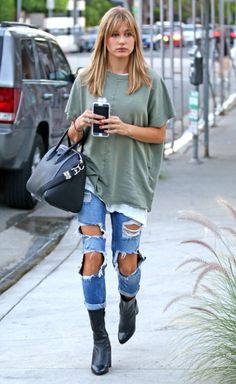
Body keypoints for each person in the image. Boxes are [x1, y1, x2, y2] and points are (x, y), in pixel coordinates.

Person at [65, 6, 175, 376]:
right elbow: (71, 137)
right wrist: (79, 123)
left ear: (135, 39)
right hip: (92, 182)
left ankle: (129, 301)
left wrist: (126, 128)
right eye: (115, 35)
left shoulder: (148, 81)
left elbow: (160, 134)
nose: (122, 41)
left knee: (126, 262)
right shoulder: (86, 79)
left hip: (131, 181)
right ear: (105, 39)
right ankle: (100, 339)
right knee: (92, 257)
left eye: (128, 34)